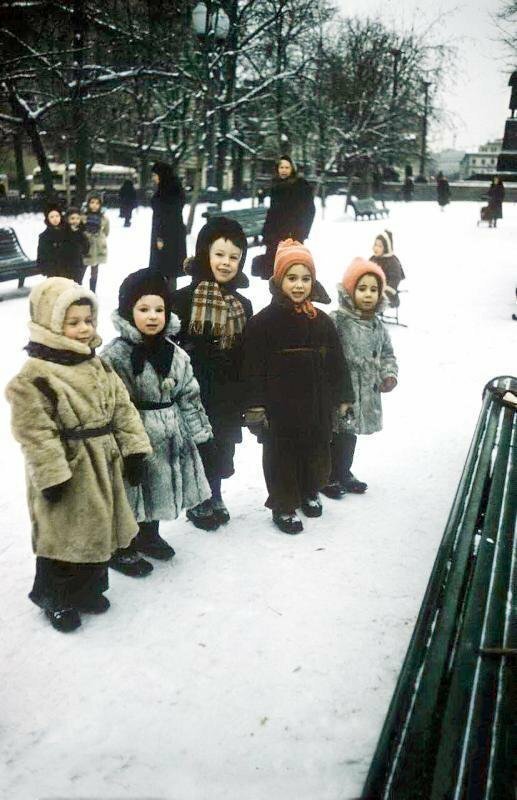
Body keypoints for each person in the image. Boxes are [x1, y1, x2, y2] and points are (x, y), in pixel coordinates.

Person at [5, 278, 152, 633]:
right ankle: (55, 596)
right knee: (63, 533)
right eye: (73, 322)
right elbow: (35, 431)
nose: (84, 328)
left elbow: (122, 408)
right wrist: (52, 473)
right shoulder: (35, 376)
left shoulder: (97, 365)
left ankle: (88, 589)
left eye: (88, 319)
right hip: (68, 465)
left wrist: (134, 449)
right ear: (50, 324)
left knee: (99, 526)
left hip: (103, 460)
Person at [242, 239, 354, 535]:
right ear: (278, 280)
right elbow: (251, 368)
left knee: (315, 449)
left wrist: (343, 396)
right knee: (282, 455)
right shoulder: (263, 323)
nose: (299, 285)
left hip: (316, 403)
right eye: (292, 278)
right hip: (279, 407)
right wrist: (255, 406)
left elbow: (337, 363)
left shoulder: (321, 322)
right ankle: (284, 503)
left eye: (306, 279)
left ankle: (307, 491)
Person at [101, 269, 214, 560]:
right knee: (132, 490)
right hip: (135, 433)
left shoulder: (176, 354)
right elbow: (110, 404)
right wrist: (121, 446)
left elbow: (189, 395)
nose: (152, 316)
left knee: (160, 486)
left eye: (159, 309)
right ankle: (122, 545)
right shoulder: (116, 356)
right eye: (143, 309)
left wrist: (201, 435)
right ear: (128, 312)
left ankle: (150, 535)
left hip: (171, 431)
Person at [170, 217, 253, 530]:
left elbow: (248, 350)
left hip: (228, 390)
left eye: (234, 257)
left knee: (222, 447)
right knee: (197, 446)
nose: (226, 263)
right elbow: (170, 343)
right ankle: (198, 499)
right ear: (205, 253)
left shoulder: (243, 303)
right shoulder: (182, 298)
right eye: (219, 255)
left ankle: (215, 492)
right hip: (195, 389)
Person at [322, 258, 398, 499]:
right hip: (342, 388)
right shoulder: (338, 320)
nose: (368, 295)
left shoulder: (377, 325)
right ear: (349, 291)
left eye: (373, 290)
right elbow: (325, 352)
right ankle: (327, 476)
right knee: (335, 432)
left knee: (350, 433)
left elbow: (387, 353)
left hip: (365, 390)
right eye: (362, 288)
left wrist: (388, 374)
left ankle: (344, 471)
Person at [254, 155, 315, 280]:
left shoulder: (301, 186)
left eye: (287, 167)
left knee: (290, 269)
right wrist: (266, 232)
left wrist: (302, 232)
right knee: (274, 272)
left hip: (293, 234)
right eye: (281, 167)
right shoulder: (276, 185)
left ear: (292, 169)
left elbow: (309, 211)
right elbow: (273, 212)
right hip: (275, 234)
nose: (284, 170)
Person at [149, 161, 187, 293]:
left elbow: (164, 216)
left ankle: (166, 299)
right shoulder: (174, 188)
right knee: (171, 271)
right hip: (175, 234)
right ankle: (169, 298)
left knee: (164, 269)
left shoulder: (165, 192)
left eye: (155, 175)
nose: (153, 178)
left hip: (165, 235)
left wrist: (160, 237)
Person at [36, 202, 83, 282]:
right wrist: (45, 268)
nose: (55, 219)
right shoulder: (44, 236)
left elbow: (77, 249)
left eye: (57, 216)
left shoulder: (68, 231)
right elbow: (42, 254)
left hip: (71, 270)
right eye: (52, 217)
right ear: (47, 219)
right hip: (54, 272)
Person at [82, 191, 109, 292]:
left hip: (97, 248)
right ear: (88, 203)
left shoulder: (103, 218)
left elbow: (106, 232)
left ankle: (92, 291)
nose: (94, 205)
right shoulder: (83, 217)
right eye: (92, 202)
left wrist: (100, 239)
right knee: (81, 270)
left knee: (94, 272)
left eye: (97, 203)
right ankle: (78, 289)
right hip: (85, 247)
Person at [370, 230, 405, 307]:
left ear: (386, 248)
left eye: (380, 246)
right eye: (375, 245)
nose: (376, 248)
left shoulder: (392, 262)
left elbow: (395, 280)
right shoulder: (373, 259)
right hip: (373, 292)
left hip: (388, 296)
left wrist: (384, 295)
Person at [65, 206, 89, 284]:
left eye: (77, 218)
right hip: (66, 264)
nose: (75, 221)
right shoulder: (64, 232)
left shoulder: (81, 232)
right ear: (67, 219)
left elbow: (86, 246)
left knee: (77, 283)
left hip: (79, 264)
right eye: (72, 218)